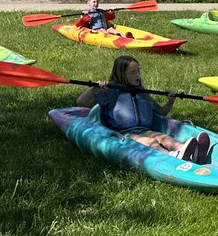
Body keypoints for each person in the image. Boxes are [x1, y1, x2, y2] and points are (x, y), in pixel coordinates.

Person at [75, 55, 210, 163]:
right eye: (132, 73)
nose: (137, 75)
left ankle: (192, 152)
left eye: (138, 71)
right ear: (121, 75)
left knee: (164, 137)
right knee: (151, 142)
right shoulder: (111, 93)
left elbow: (161, 112)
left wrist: (170, 101)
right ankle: (173, 158)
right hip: (123, 135)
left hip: (144, 130)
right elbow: (81, 102)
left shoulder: (142, 92)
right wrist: (95, 88)